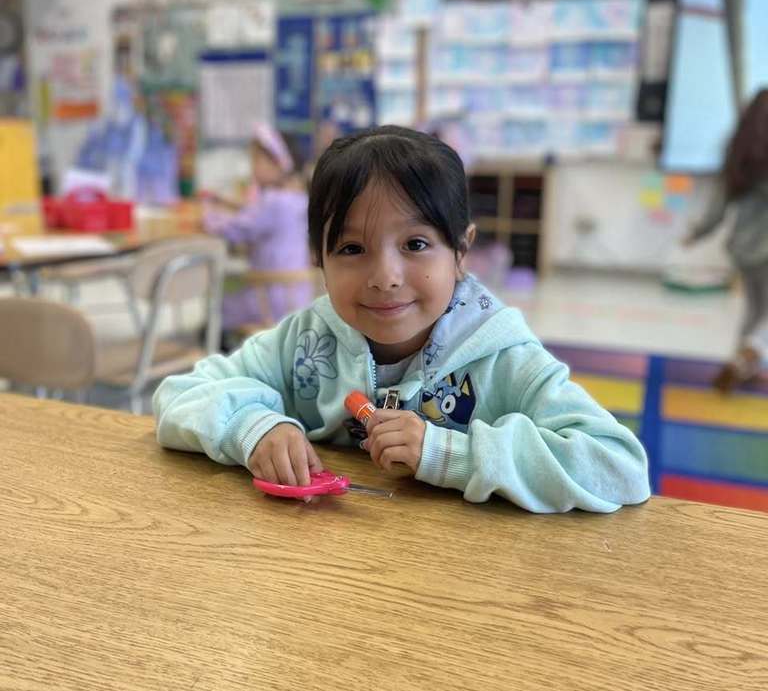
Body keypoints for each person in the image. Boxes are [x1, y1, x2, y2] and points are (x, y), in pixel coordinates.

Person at [155, 126, 649, 513]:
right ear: (318, 259)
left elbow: (618, 466)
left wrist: (449, 454)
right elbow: (178, 395)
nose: (385, 277)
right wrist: (254, 428)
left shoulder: (502, 355)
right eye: (351, 248)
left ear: (460, 252)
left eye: (415, 245)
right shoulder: (306, 340)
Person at [683, 89, 768, 392]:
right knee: (764, 316)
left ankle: (742, 363)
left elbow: (718, 207)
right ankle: (748, 356)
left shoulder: (739, 153)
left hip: (743, 248)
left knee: (756, 309)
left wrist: (696, 233)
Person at [202, 122, 311, 332]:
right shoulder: (297, 196)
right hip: (297, 295)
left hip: (269, 297)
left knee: (217, 308)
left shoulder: (273, 201)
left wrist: (207, 217)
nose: (252, 166)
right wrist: (229, 204)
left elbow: (236, 229)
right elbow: (256, 215)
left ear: (279, 163)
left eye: (257, 159)